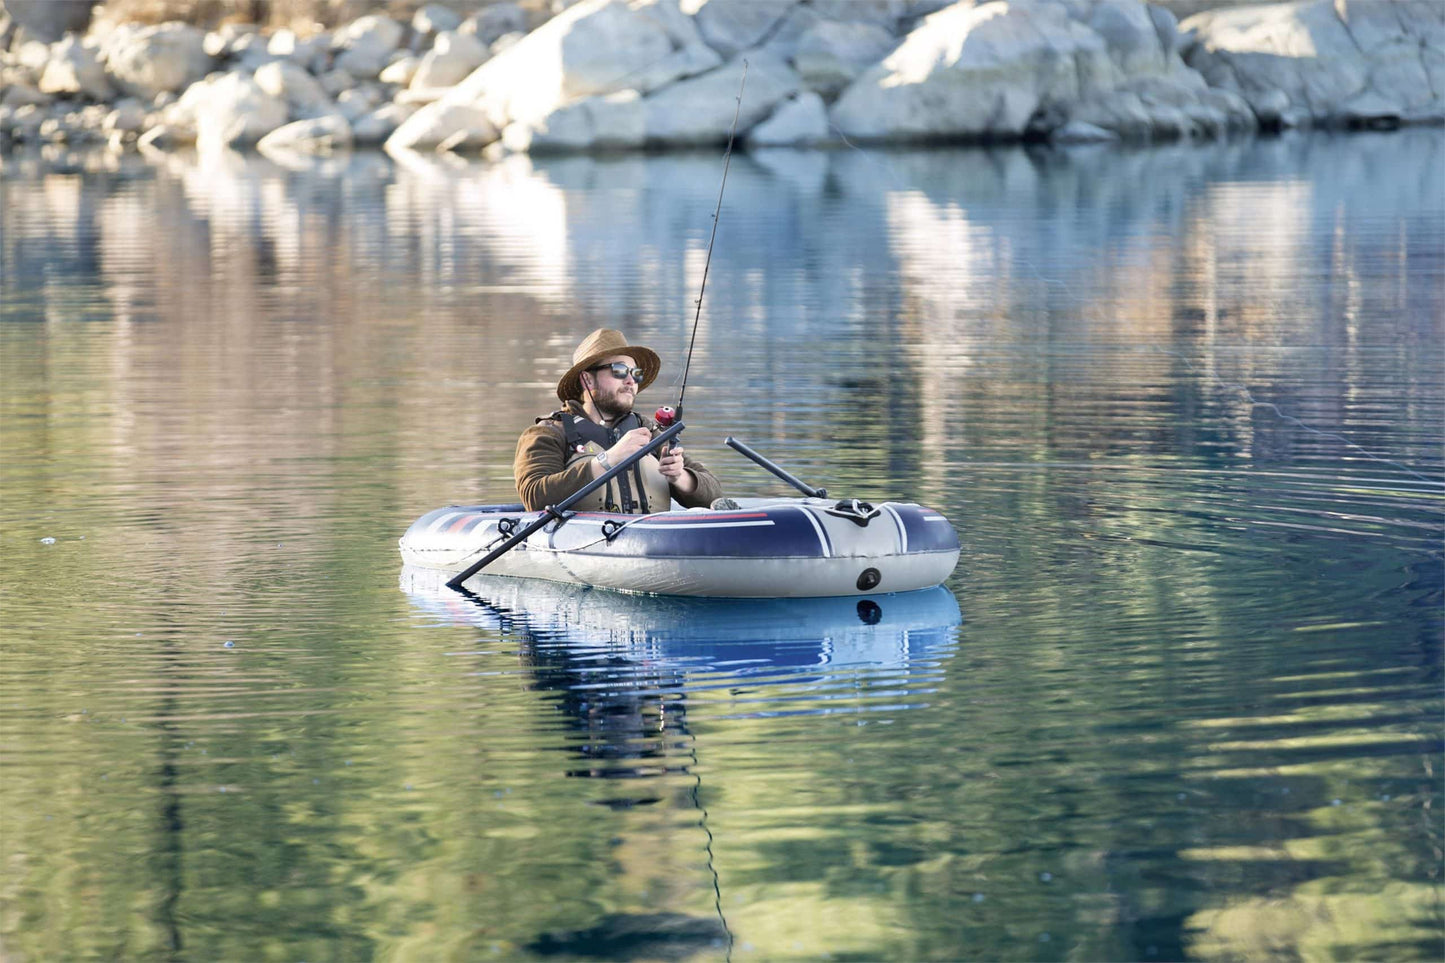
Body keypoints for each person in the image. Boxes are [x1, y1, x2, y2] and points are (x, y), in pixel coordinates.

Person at [514, 328, 724, 513]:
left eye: (636, 373)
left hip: (652, 538)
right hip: (585, 540)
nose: (631, 380)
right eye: (619, 370)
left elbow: (715, 496)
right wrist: (607, 460)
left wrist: (680, 477)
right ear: (587, 380)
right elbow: (534, 496)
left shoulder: (649, 432)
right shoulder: (548, 433)